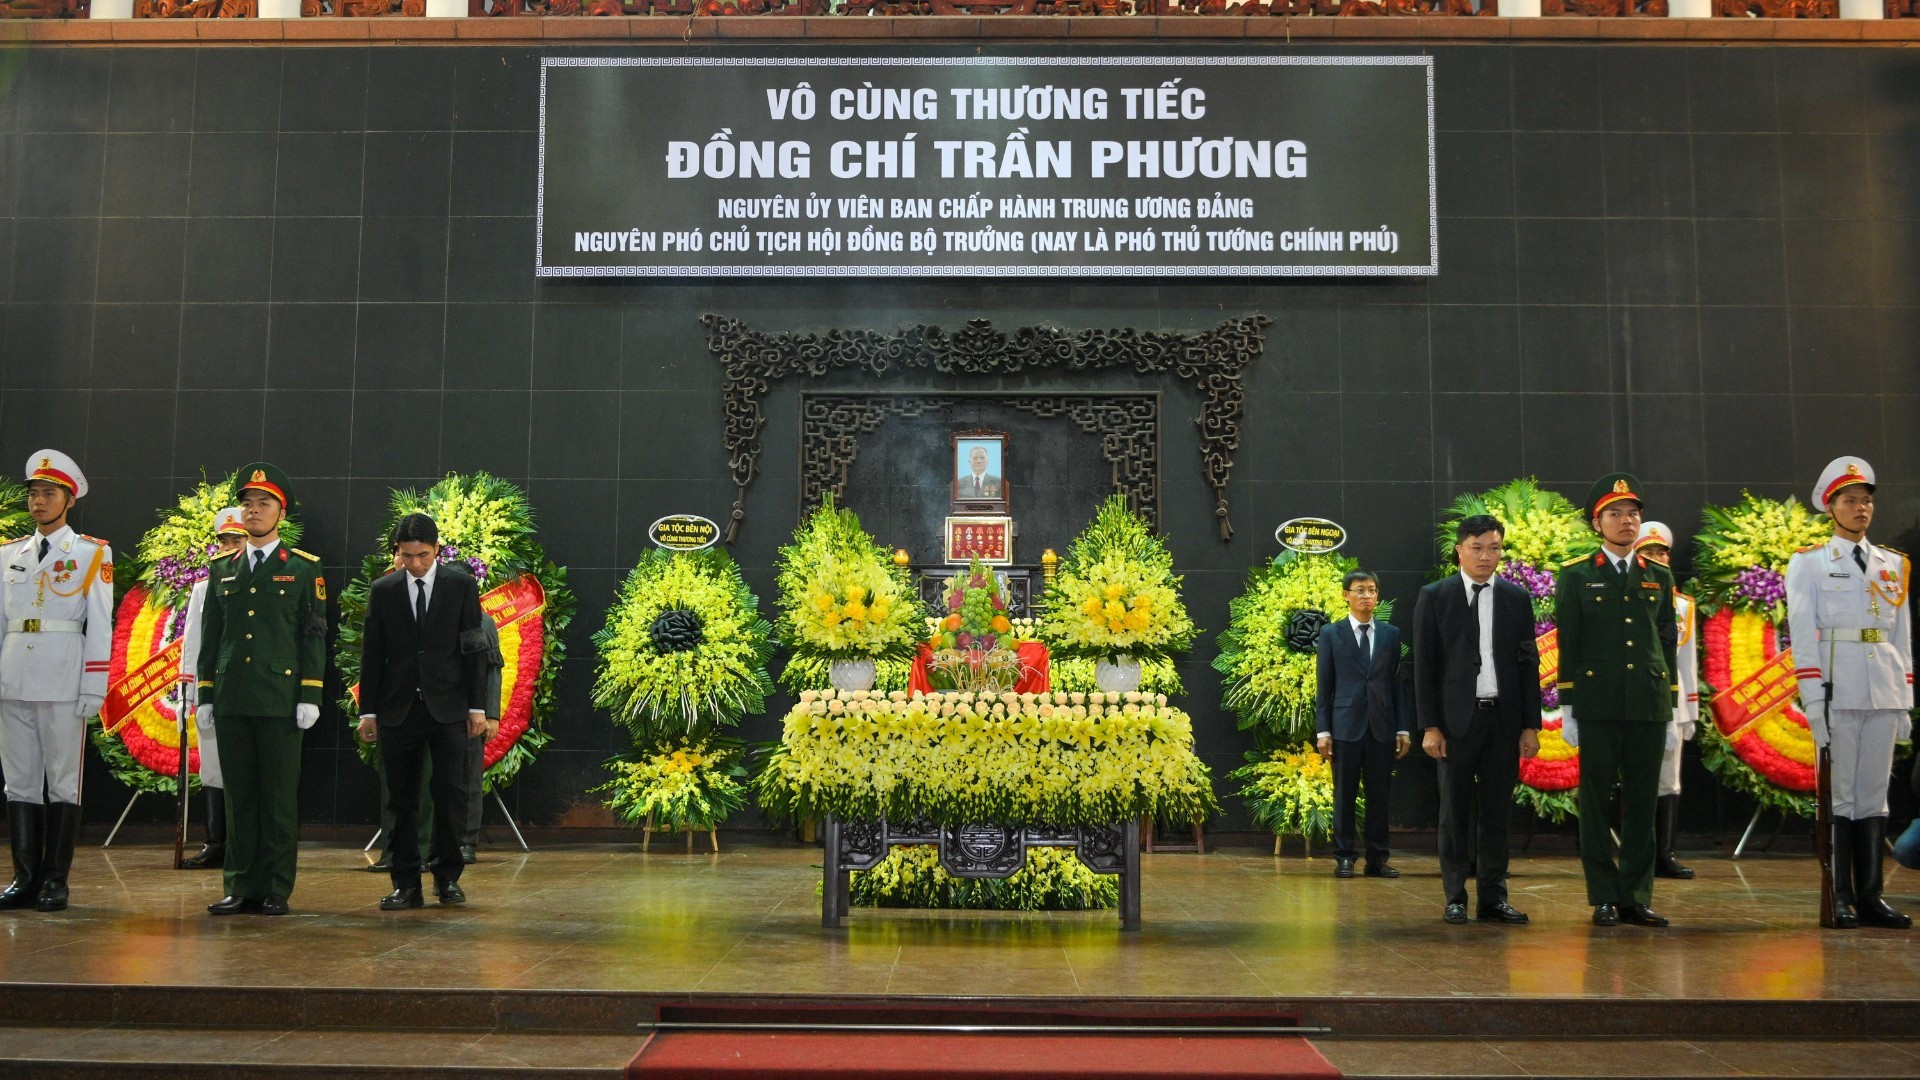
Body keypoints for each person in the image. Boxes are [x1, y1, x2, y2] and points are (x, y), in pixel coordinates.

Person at [196, 463, 327, 917]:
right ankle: (239, 884)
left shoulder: (304, 569)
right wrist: (206, 693)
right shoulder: (222, 568)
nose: (253, 510)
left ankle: (275, 886)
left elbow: (313, 636)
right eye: (247, 503)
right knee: (239, 797)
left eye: (264, 503)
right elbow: (211, 638)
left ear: (280, 513)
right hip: (233, 696)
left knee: (277, 798)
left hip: (279, 698)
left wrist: (310, 694)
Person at [1786, 456, 1911, 930]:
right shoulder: (1810, 563)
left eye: (1866, 501)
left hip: (1884, 689)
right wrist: (1813, 699)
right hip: (1838, 688)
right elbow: (1802, 634)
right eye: (1850, 501)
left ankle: (1871, 896)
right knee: (1841, 797)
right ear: (1830, 507)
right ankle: (1840, 896)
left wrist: (1905, 698)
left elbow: (1901, 635)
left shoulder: (1892, 564)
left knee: (1874, 796)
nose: (1861, 509)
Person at [1556, 473, 1678, 929]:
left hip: (1647, 702)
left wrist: (1670, 705)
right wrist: (1569, 707)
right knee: (1595, 802)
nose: (1627, 521)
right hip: (1598, 703)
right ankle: (1603, 895)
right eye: (1615, 514)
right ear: (1597, 523)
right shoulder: (1577, 574)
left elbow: (1667, 642)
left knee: (1643, 803)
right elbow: (1569, 642)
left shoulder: (1659, 575)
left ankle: (1636, 896)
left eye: (1632, 513)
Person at [355, 514, 489, 910]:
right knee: (401, 800)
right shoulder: (383, 590)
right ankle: (405, 883)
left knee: (450, 795)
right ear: (397, 552)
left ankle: (447, 879)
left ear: (437, 550)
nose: (415, 563)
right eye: (407, 555)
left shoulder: (461, 585)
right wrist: (368, 711)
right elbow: (372, 654)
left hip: (448, 707)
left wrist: (477, 707)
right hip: (398, 709)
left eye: (423, 555)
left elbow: (474, 648)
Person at [1412, 514, 1541, 926]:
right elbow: (1423, 666)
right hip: (1455, 724)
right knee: (1454, 812)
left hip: (1503, 720)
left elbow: (1528, 664)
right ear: (1459, 550)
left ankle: (1493, 898)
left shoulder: (1516, 599)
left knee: (1497, 813)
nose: (1486, 556)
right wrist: (1430, 726)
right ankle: (1455, 897)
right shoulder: (1435, 596)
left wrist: (1530, 725)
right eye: (1477, 548)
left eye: (1494, 548)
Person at [0, 450, 113, 912]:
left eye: (49, 493)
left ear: (69, 500)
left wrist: (94, 686)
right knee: (19, 781)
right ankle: (24, 877)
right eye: (33, 493)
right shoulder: (9, 554)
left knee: (63, 782)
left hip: (64, 679)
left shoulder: (90, 553)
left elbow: (100, 624)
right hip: (13, 679)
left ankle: (54, 880)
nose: (39, 501)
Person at [368, 613, 500, 873]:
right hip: (423, 711)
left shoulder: (479, 621)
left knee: (466, 779)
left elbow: (491, 669)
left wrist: (490, 713)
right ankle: (417, 849)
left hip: (465, 711)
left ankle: (465, 841)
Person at [1314, 569, 1410, 879]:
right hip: (1345, 726)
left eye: (1372, 590)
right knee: (1344, 795)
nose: (1366, 595)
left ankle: (1377, 858)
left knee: (1379, 797)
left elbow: (1397, 684)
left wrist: (1403, 727)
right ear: (1346, 595)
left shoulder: (1390, 634)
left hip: (1382, 726)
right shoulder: (1331, 633)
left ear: (1377, 595)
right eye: (1360, 590)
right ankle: (1344, 857)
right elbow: (1324, 685)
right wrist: (1323, 730)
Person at [176, 506, 248, 871]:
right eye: (225, 542)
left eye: (238, 541)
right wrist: (187, 694)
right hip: (213, 689)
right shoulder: (204, 588)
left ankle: (243, 843)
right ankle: (215, 842)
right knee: (213, 768)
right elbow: (193, 643)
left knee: (247, 770)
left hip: (249, 689)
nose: (230, 547)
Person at [1633, 521, 1698, 880]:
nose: (1657, 558)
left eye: (1661, 553)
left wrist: (1690, 710)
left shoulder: (1683, 605)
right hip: (1639, 697)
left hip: (1674, 702)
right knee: (1637, 777)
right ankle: (1638, 851)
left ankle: (1664, 853)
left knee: (1670, 780)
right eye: (1649, 553)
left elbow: (1687, 661)